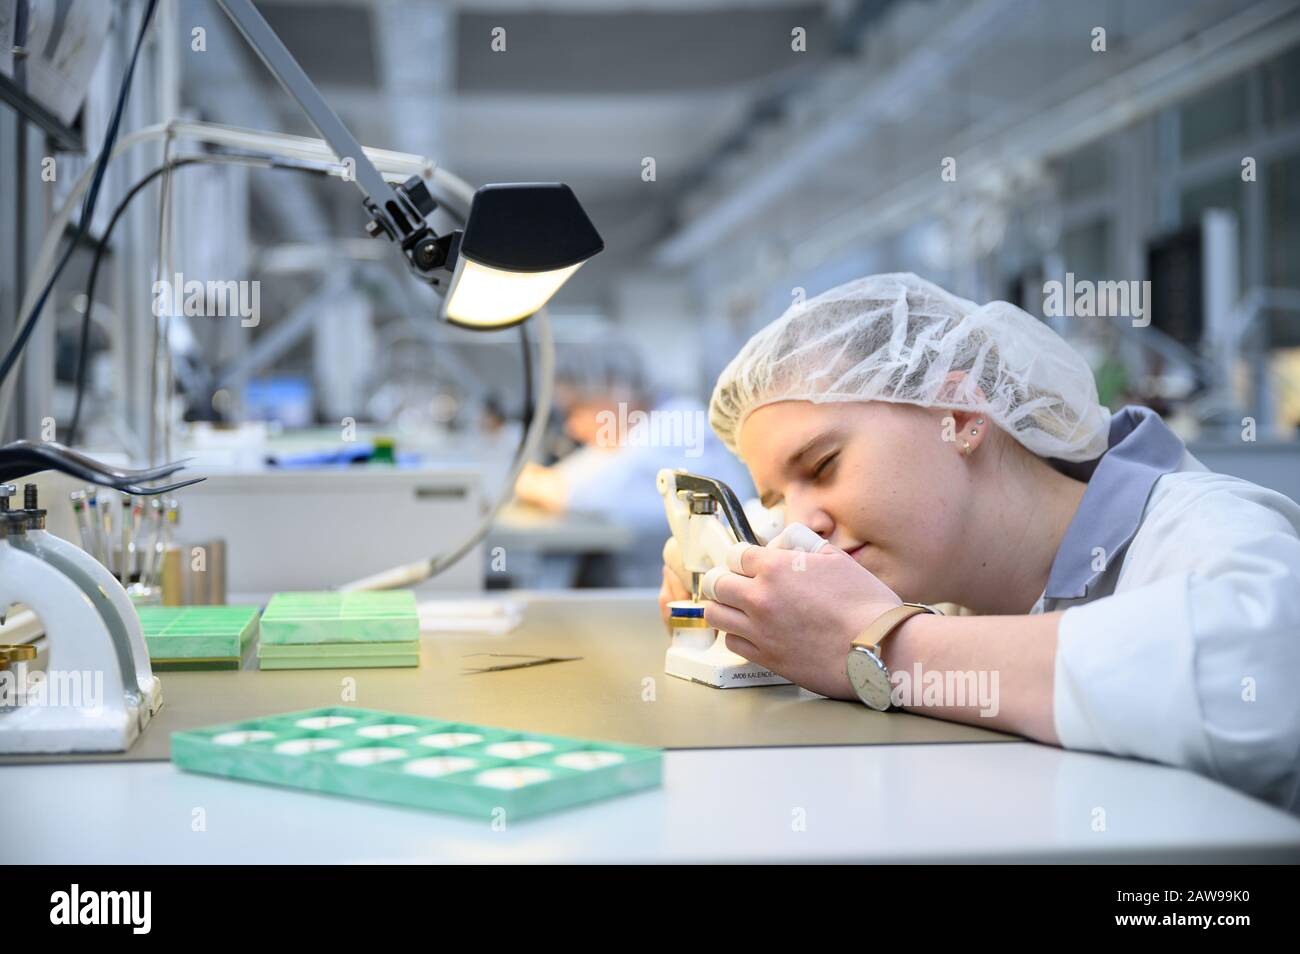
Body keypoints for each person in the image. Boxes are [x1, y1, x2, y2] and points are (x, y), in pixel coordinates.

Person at [659, 273, 1300, 812]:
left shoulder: (1206, 528)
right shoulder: (948, 558)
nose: (802, 524)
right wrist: (725, 567)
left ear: (962, 415)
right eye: (776, 501)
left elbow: (1264, 674)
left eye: (823, 467)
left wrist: (880, 645)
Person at [516, 334, 751, 586]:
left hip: (704, 592)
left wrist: (542, 486)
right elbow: (569, 476)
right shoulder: (629, 434)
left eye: (576, 408)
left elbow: (589, 493)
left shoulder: (681, 423)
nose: (571, 427)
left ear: (614, 386)